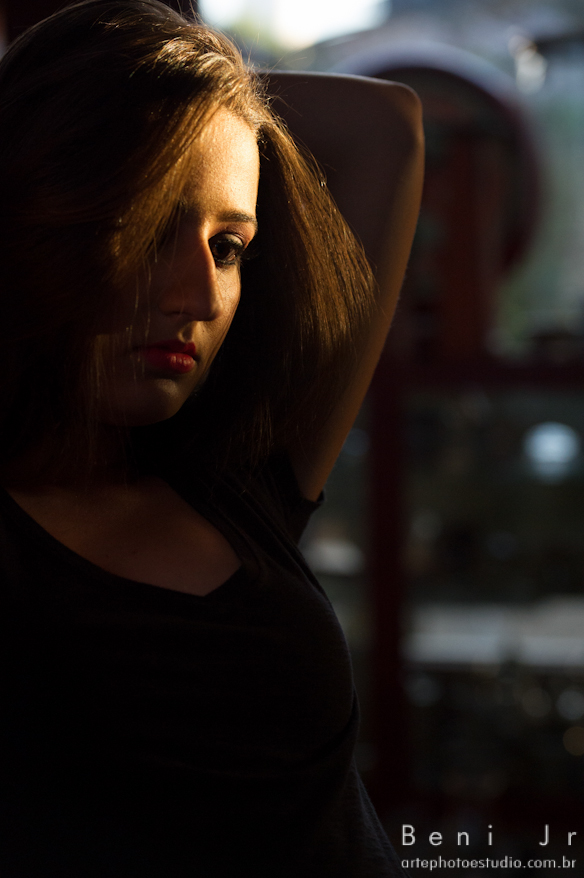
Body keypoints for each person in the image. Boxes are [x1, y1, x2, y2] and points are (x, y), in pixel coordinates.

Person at [0, 0, 424, 875]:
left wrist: (180, 71)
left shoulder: (238, 476)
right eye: (151, 226)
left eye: (228, 246)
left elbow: (386, 128)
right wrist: (61, 83)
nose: (198, 295)